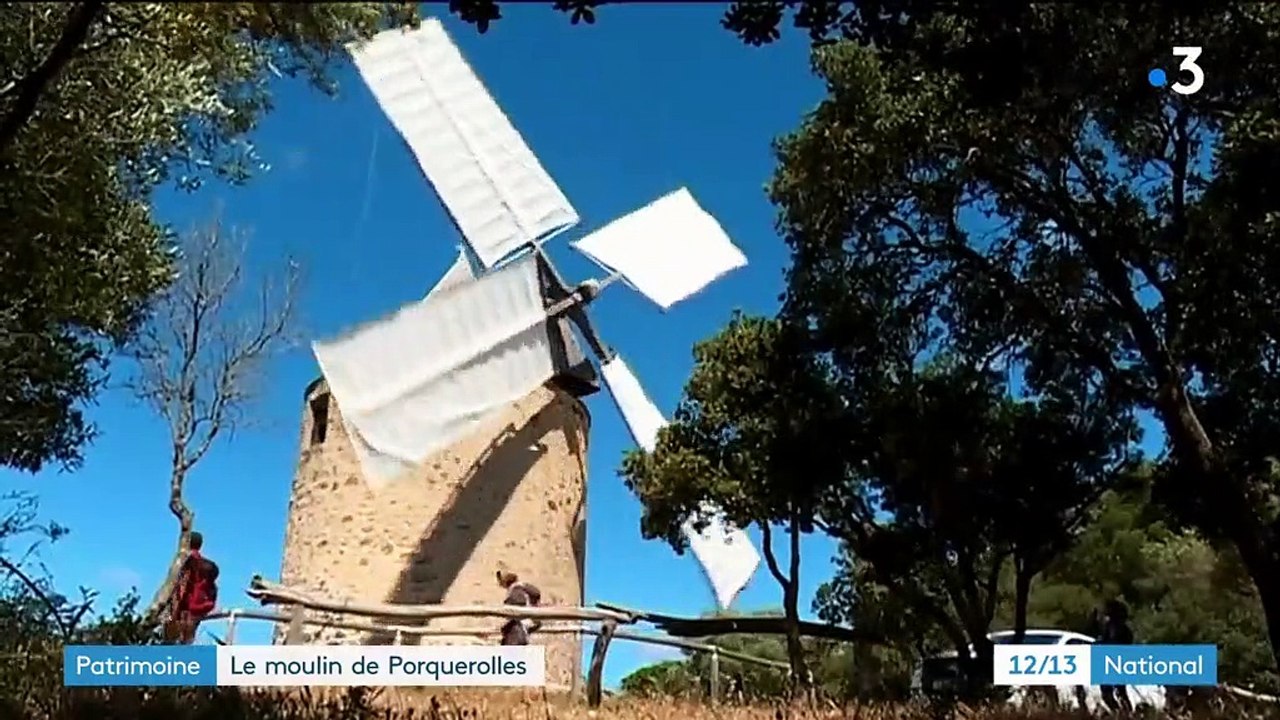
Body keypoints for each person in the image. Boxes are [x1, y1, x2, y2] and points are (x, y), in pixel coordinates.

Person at [167, 532, 219, 645]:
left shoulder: (185, 562)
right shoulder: (208, 566)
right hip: (200, 608)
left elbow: (181, 588)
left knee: (177, 643)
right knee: (187, 643)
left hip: (186, 609)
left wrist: (173, 613)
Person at [1099, 599, 1134, 714]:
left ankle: (1124, 713)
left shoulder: (1119, 629)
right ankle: (1121, 712)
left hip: (1115, 663)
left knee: (1117, 692)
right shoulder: (1114, 628)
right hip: (1111, 664)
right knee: (1114, 692)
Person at [496, 570, 541, 646]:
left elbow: (516, 609)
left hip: (517, 630)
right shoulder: (522, 590)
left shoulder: (515, 591)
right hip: (522, 629)